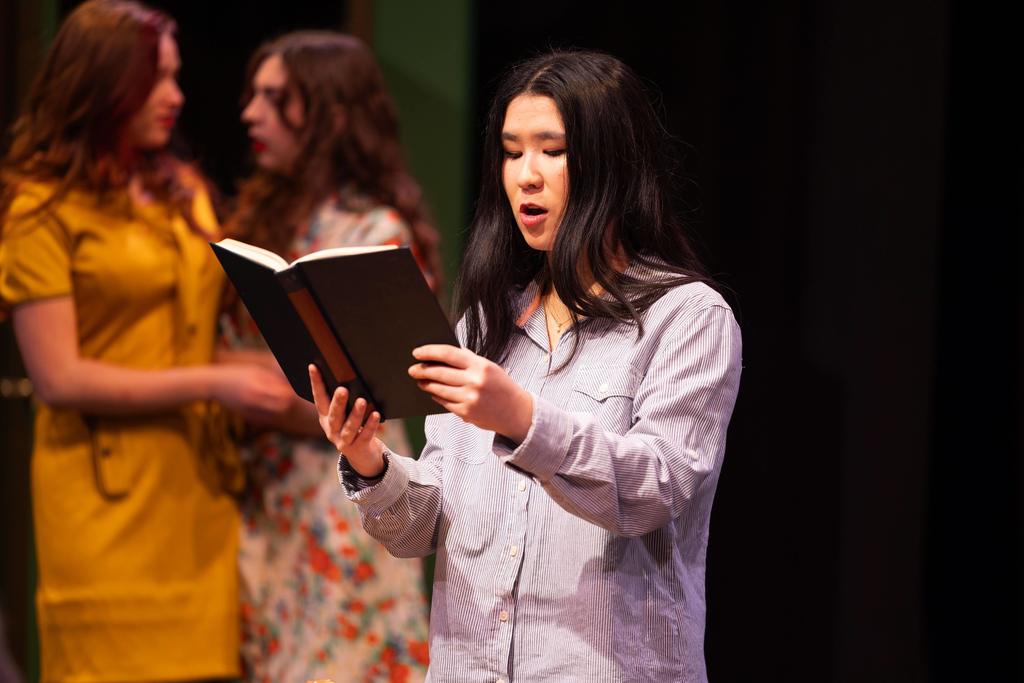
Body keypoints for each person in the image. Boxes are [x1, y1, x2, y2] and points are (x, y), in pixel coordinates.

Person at [310, 49, 743, 682]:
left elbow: (656, 488)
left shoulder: (687, 317)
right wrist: (368, 458)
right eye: (512, 153)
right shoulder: (484, 323)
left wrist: (523, 419)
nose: (526, 176)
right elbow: (424, 530)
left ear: (613, 164)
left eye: (552, 150)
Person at [0, 1, 295, 680]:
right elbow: (58, 378)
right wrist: (215, 382)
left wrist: (263, 368)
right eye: (155, 78)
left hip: (198, 495)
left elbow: (186, 337)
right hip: (103, 506)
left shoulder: (182, 192)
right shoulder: (40, 206)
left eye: (175, 76)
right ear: (103, 83)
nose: (176, 96)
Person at [224, 31, 436, 683]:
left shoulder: (373, 233)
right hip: (265, 499)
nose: (251, 113)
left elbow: (371, 390)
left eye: (276, 98)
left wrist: (235, 380)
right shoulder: (265, 220)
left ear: (332, 114)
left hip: (337, 499)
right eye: (254, 94)